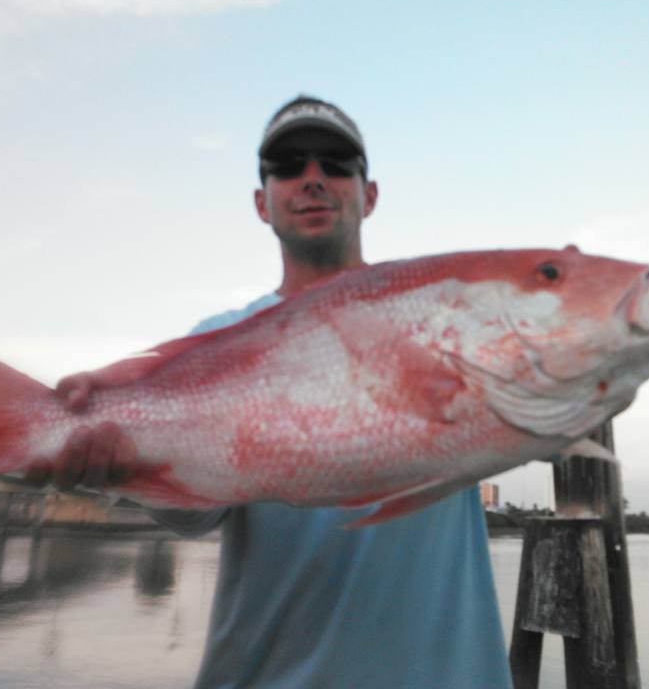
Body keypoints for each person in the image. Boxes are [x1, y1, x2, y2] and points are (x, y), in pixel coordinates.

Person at [27, 96, 514, 689]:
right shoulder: (216, 340)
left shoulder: (443, 312)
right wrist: (121, 463)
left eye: (336, 162)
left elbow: (552, 403)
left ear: (370, 194)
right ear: (262, 202)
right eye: (287, 165)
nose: (313, 177)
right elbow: (192, 518)